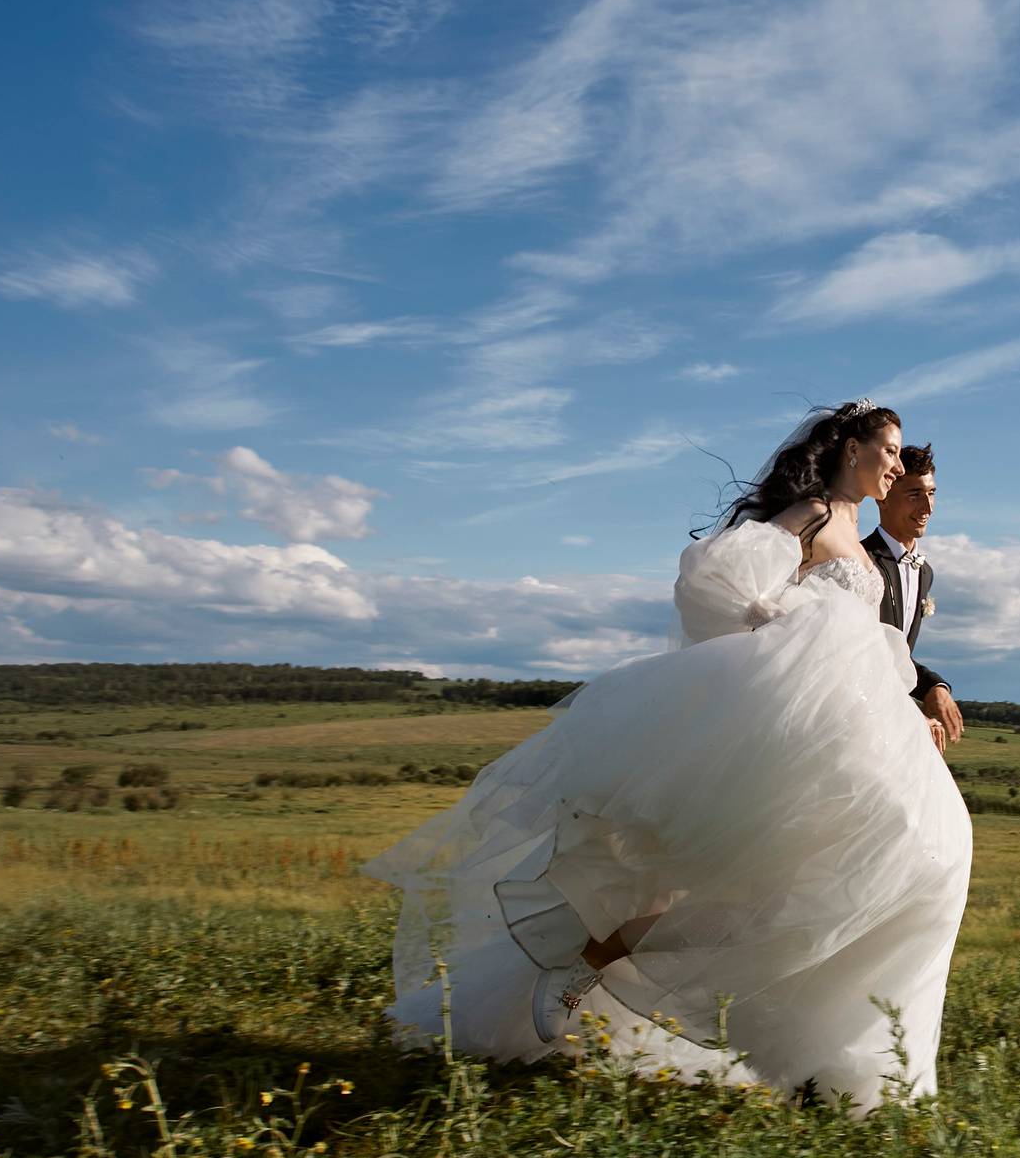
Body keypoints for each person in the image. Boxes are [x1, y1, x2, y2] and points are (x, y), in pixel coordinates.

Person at [361, 400, 972, 1112]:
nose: (898, 466)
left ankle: (841, 1054)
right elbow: (715, 580)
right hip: (803, 714)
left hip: (862, 717)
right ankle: (592, 967)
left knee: (922, 852)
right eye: (890, 451)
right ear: (850, 449)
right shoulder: (809, 512)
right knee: (753, 878)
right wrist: (786, 629)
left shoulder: (851, 530)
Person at [865, 443, 964, 747]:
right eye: (914, 495)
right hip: (861, 717)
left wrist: (935, 687)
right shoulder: (861, 561)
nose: (928, 507)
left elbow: (897, 656)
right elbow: (862, 655)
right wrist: (910, 712)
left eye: (931, 493)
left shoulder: (925, 573)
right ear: (883, 498)